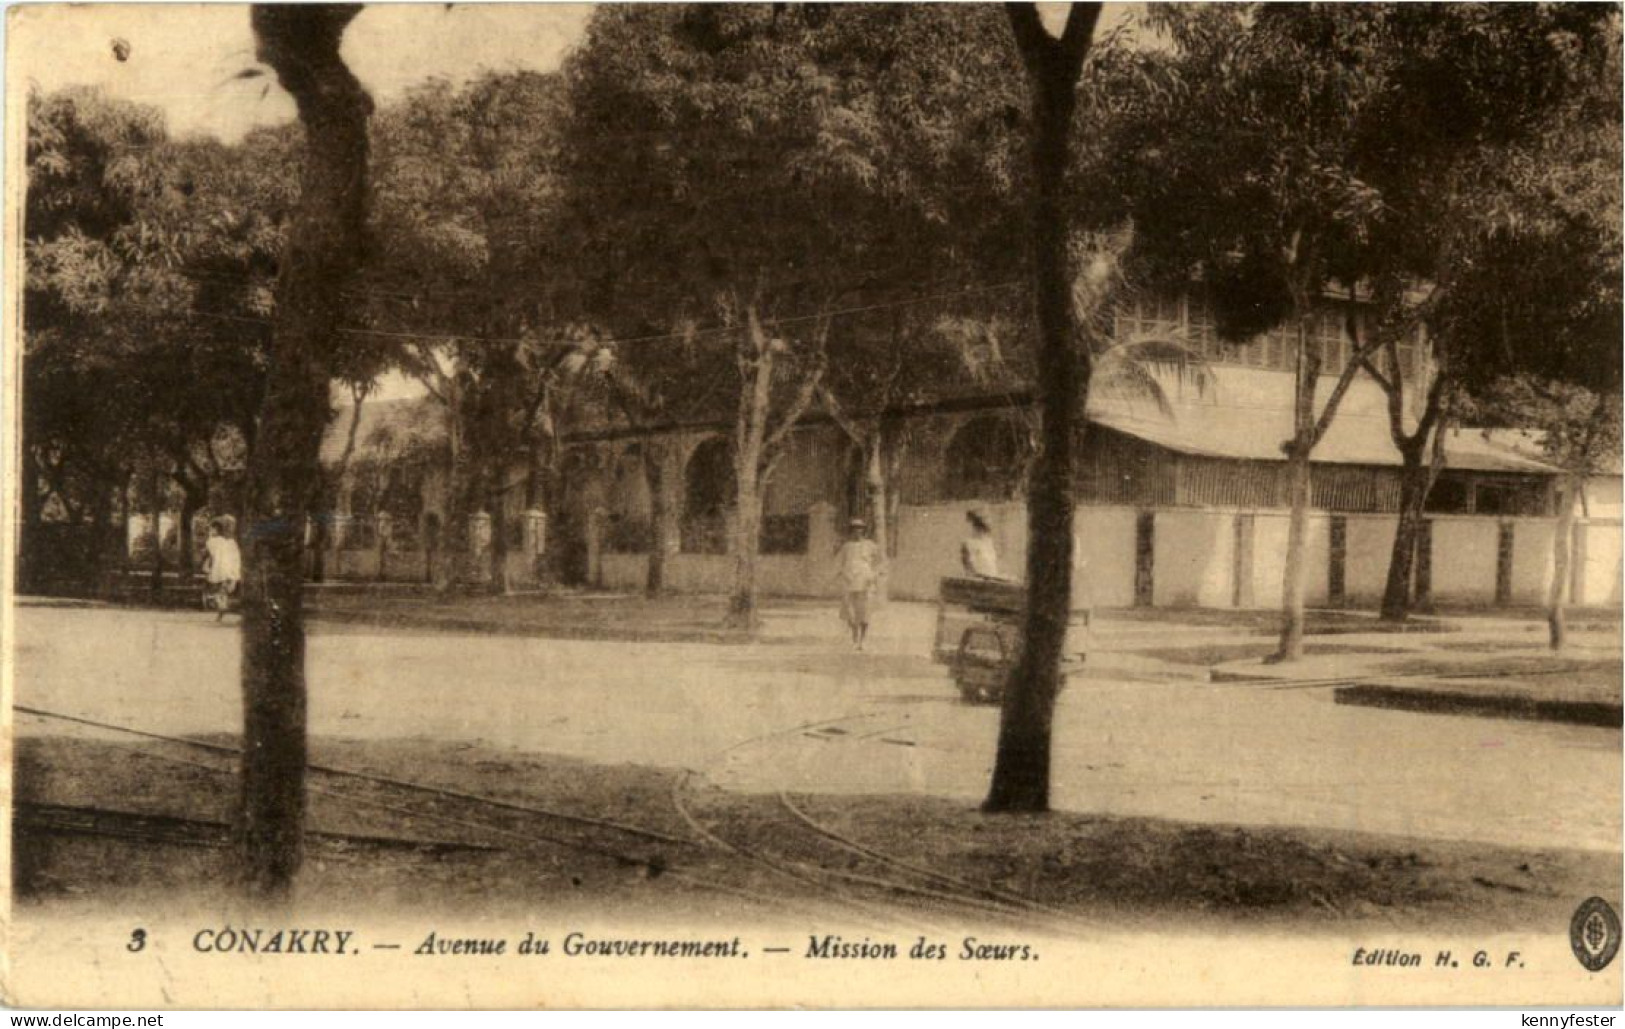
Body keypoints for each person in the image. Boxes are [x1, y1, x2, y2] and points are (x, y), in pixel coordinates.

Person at [834, 517, 880, 651]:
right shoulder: (846, 547)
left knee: (865, 612)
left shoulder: (870, 545)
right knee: (850, 612)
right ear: (851, 531)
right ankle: (854, 637)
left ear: (864, 530)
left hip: (866, 582)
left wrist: (873, 576)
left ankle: (862, 640)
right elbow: (839, 564)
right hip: (850, 582)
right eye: (854, 529)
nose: (857, 531)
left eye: (860, 528)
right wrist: (843, 574)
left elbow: (880, 563)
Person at [202, 515, 242, 620]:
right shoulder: (231, 542)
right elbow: (235, 558)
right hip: (229, 569)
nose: (210, 531)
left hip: (219, 569)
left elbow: (210, 554)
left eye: (212, 529)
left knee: (217, 589)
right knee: (222, 590)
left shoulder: (213, 542)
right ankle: (221, 606)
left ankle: (221, 605)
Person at [961, 509, 1000, 579]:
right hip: (978, 582)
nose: (986, 533)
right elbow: (971, 571)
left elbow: (992, 568)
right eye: (985, 529)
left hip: (991, 580)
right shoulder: (968, 544)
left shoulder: (989, 542)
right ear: (977, 527)